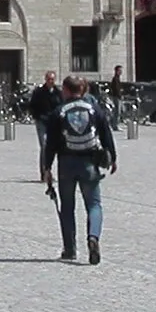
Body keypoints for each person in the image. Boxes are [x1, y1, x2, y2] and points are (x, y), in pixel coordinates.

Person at [42, 75, 116, 264]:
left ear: (66, 90)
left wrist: (47, 167)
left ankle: (70, 249)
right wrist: (112, 158)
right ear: (82, 90)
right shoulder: (93, 109)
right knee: (94, 204)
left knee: (67, 207)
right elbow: (106, 133)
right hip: (89, 161)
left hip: (66, 162)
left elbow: (50, 143)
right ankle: (93, 237)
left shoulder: (59, 111)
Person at [27, 70, 63, 179]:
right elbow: (32, 105)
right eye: (48, 79)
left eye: (52, 79)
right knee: (44, 146)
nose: (50, 81)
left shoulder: (58, 92)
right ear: (45, 79)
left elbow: (61, 105)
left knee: (55, 147)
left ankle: (52, 171)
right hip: (42, 121)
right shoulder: (39, 92)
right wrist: (36, 116)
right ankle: (44, 172)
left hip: (54, 123)